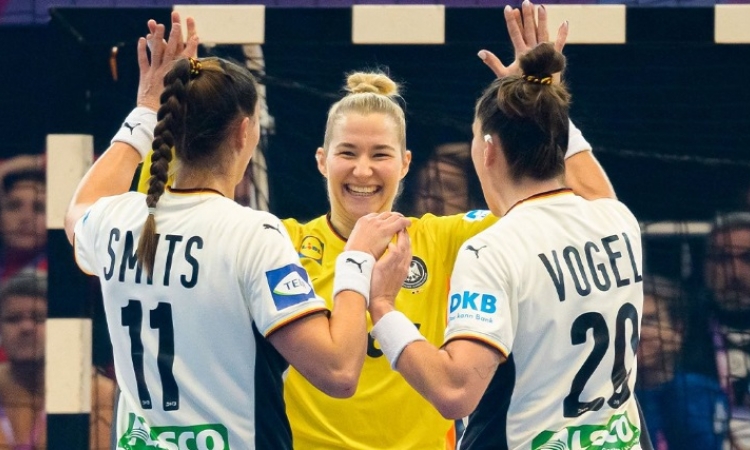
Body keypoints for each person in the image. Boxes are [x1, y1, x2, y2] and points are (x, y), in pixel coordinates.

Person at [135, 4, 616, 448]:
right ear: (322, 160)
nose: (363, 170)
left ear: (405, 163)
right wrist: (162, 108)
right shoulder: (279, 243)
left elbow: (568, 208)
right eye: (347, 152)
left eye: (380, 154)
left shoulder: (448, 238)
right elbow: (161, 214)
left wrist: (541, 108)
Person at [64, 16, 411, 449]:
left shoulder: (117, 220)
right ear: (244, 132)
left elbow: (77, 210)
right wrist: (356, 259)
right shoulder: (251, 235)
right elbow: (339, 372)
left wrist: (145, 110)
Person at [367, 26, 649, 450]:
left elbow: (455, 391)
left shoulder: (493, 250)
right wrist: (543, 98)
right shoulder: (617, 220)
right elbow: (589, 179)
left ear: (488, 149)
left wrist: (382, 306)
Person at [0, 273, 115, 449]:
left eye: (38, 318)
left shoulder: (97, 392)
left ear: (62, 325)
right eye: (13, 319)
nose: (26, 328)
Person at [636, 275, 728, 449]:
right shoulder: (609, 397)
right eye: (632, 322)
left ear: (678, 328)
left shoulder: (702, 391)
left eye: (649, 321)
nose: (639, 332)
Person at [683, 211, 750, 449]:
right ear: (704, 266)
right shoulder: (681, 328)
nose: (734, 272)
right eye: (721, 259)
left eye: (747, 258)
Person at [0, 158, 47, 282]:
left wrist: (37, 162)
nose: (26, 218)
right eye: (14, 206)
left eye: (39, 208)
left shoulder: (64, 276)